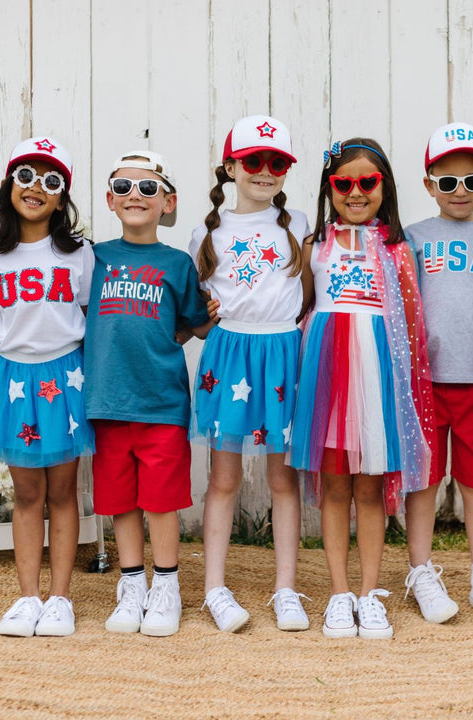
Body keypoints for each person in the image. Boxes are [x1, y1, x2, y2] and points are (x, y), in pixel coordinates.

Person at [290, 138, 435, 639]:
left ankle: (370, 594)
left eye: (367, 182)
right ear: (329, 188)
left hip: (377, 376)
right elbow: (303, 309)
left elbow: (412, 323)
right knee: (334, 485)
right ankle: (338, 594)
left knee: (369, 487)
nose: (355, 192)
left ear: (384, 187)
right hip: (328, 375)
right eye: (343, 183)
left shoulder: (396, 248)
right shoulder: (316, 244)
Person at [188, 115, 312, 633]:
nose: (265, 171)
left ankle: (286, 587)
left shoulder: (300, 225)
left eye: (276, 162)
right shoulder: (207, 231)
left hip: (283, 352)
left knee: (284, 477)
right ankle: (215, 588)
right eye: (253, 161)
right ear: (231, 167)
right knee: (224, 476)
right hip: (230, 354)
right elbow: (195, 316)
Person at [84, 150, 210, 637]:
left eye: (147, 188)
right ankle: (132, 583)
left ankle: (167, 585)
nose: (134, 195)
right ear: (110, 201)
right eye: (123, 188)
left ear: (167, 201)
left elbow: (194, 324)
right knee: (120, 499)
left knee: (160, 500)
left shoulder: (177, 264)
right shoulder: (93, 258)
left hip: (161, 401)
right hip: (107, 400)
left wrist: (217, 311)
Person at [0, 136, 95, 637]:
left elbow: (88, 314)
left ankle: (60, 598)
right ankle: (27, 598)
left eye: (51, 181)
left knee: (63, 491)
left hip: (64, 376)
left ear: (62, 197)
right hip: (13, 378)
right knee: (27, 494)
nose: (36, 188)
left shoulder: (79, 254)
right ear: (9, 185)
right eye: (26, 176)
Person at [403, 122, 473, 626]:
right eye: (447, 182)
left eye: (471, 181)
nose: (460, 192)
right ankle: (422, 572)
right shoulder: (413, 237)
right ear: (429, 184)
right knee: (423, 483)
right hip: (423, 385)